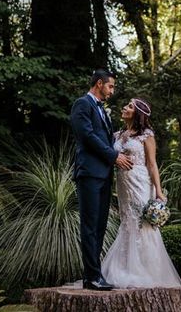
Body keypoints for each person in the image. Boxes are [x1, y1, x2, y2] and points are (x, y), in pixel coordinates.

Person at [101, 98, 181, 288]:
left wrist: (159, 192)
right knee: (127, 222)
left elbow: (152, 164)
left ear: (137, 114)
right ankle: (125, 268)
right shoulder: (118, 134)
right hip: (123, 184)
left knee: (141, 223)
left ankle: (147, 271)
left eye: (129, 106)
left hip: (141, 182)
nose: (124, 107)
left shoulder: (146, 135)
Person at [70, 69, 133, 291]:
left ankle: (93, 276)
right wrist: (114, 156)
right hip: (89, 173)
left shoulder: (102, 111)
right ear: (99, 83)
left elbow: (106, 137)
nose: (112, 91)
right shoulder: (82, 105)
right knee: (89, 225)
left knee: (99, 226)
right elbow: (87, 136)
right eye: (111, 86)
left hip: (104, 175)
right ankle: (92, 277)